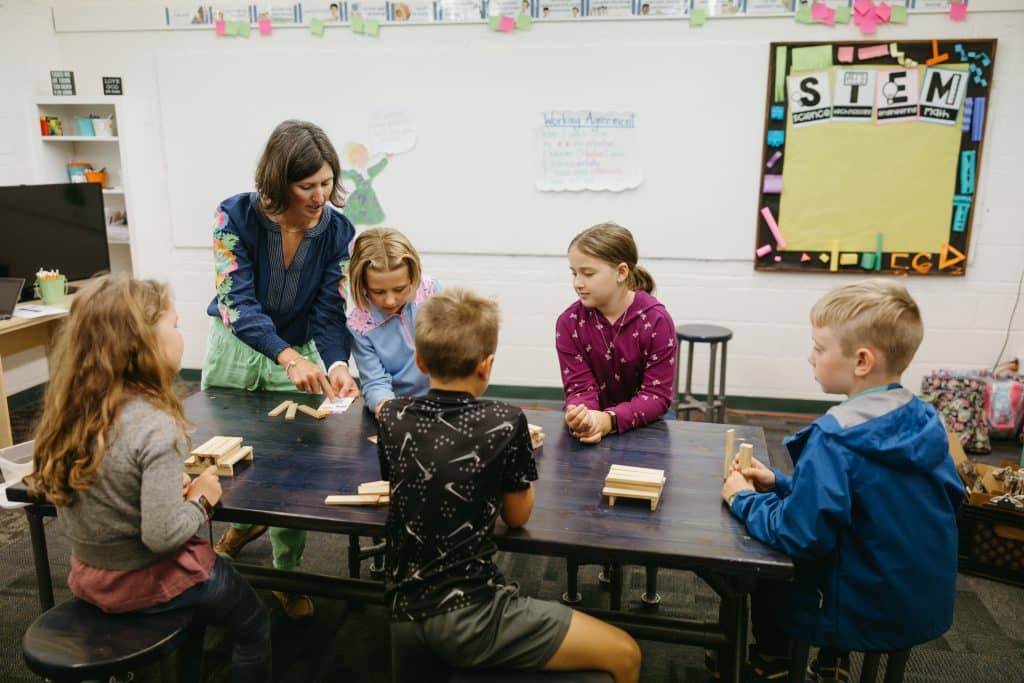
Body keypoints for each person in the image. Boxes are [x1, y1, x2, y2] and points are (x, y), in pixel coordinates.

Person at [381, 288, 641, 683]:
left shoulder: (392, 416)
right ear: (486, 366)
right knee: (626, 653)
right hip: (468, 613)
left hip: (401, 610)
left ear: (418, 361)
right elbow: (518, 517)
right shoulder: (503, 420)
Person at [30, 275, 271, 682]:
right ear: (143, 343)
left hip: (90, 576)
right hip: (147, 581)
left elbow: (100, 496)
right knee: (254, 622)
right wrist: (201, 499)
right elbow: (161, 536)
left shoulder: (71, 415)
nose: (181, 334)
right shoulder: (156, 426)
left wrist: (150, 495)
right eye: (174, 324)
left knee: (195, 619)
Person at [720, 280, 964, 682]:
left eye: (819, 347)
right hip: (920, 601)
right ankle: (834, 662)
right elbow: (875, 501)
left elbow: (801, 535)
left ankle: (773, 663)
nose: (810, 356)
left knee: (762, 564)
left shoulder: (834, 438)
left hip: (856, 606)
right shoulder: (926, 421)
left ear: (862, 361)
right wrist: (781, 484)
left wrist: (745, 498)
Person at [202, 119, 359, 620]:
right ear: (277, 181)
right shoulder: (233, 215)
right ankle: (204, 570)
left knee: (295, 473)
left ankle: (285, 575)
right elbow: (236, 301)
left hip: (298, 349)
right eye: (306, 185)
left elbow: (329, 311)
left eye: (326, 182)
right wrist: (287, 357)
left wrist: (334, 361)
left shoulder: (338, 230)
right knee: (223, 460)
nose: (319, 196)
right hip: (236, 348)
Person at [556, 222, 676, 444]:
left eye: (588, 273)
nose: (577, 283)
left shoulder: (657, 321)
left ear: (621, 272)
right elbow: (580, 388)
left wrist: (608, 421)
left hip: (646, 424)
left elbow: (656, 396)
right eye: (574, 273)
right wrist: (584, 418)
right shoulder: (569, 323)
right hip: (593, 421)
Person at [346, 228, 441, 419]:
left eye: (400, 289)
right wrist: (387, 408)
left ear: (413, 277)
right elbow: (375, 383)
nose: (390, 301)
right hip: (399, 409)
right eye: (378, 292)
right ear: (362, 285)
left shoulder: (432, 292)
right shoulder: (359, 325)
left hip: (442, 401)